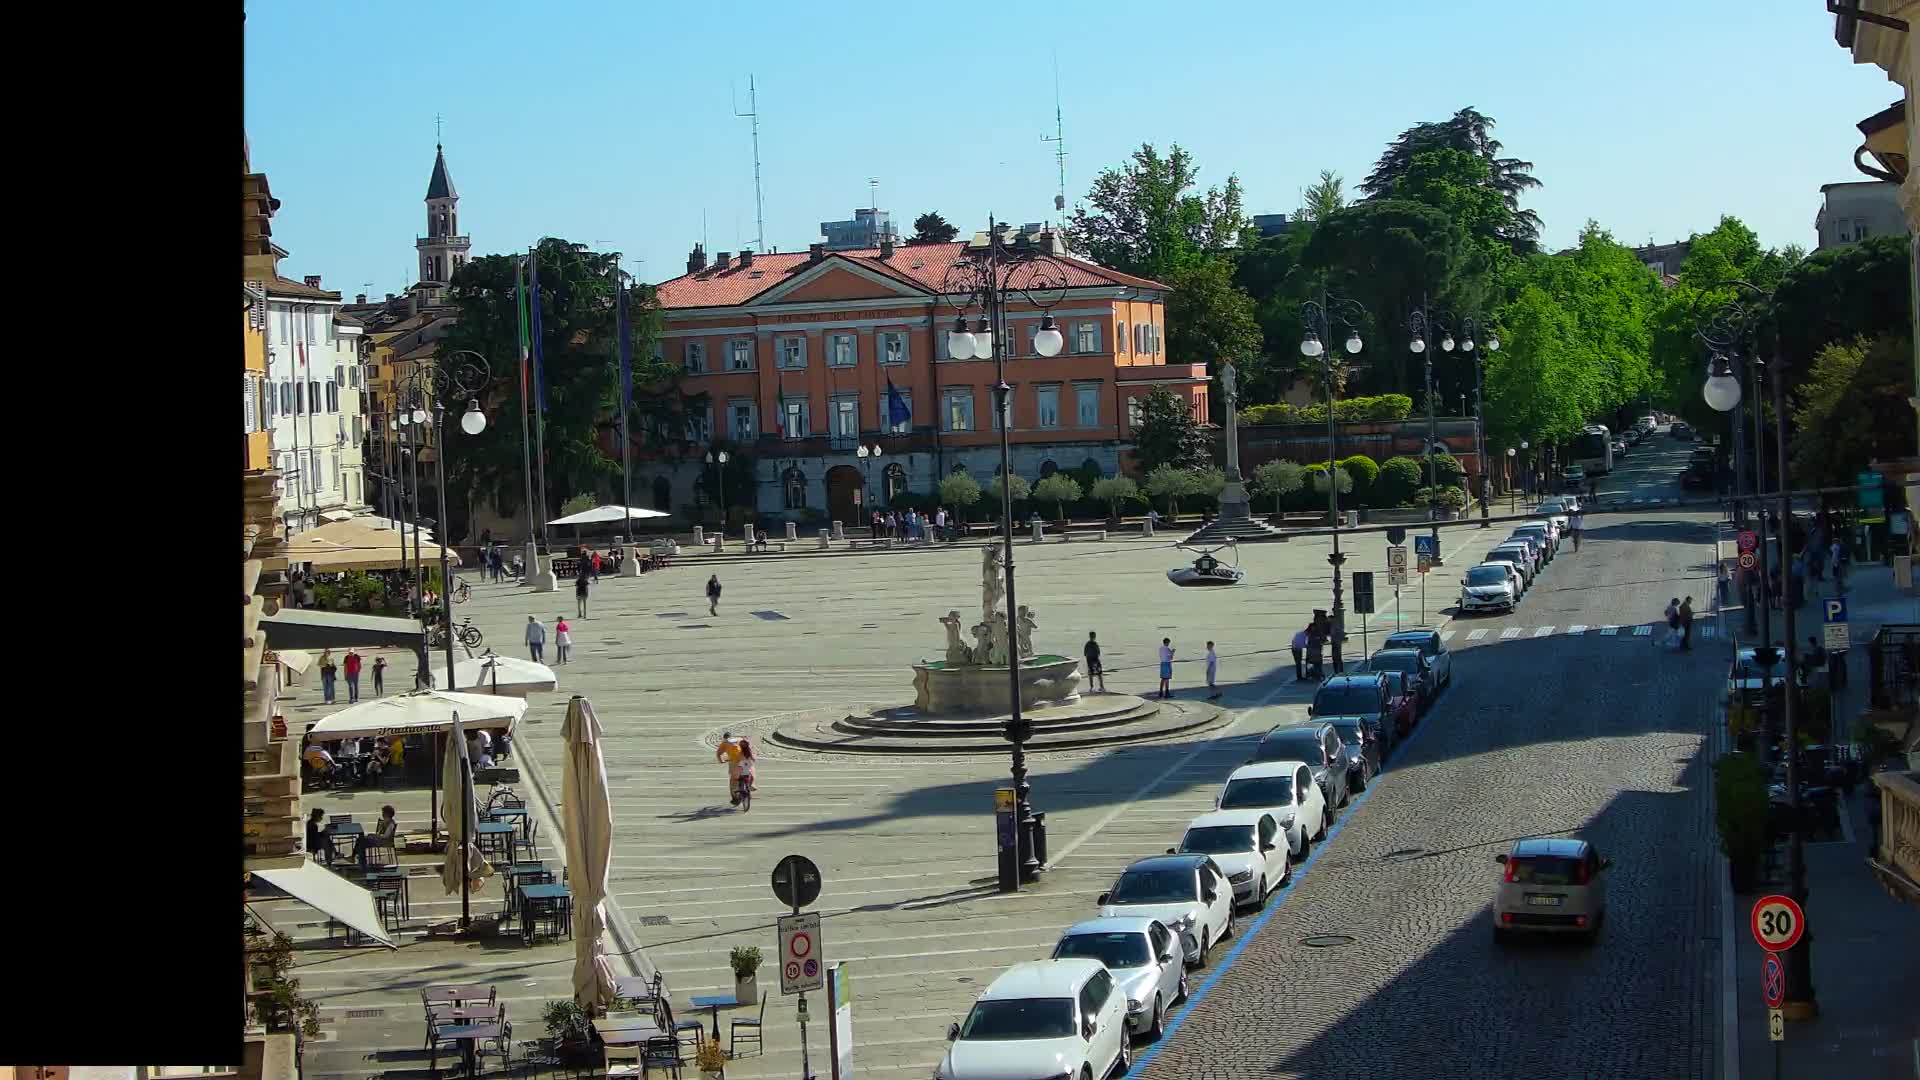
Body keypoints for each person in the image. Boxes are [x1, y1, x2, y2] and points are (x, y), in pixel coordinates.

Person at [716, 731, 745, 804]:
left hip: (734, 762)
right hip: (745, 759)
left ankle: (735, 798)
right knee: (748, 772)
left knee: (733, 780)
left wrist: (721, 760)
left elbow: (718, 754)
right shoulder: (739, 739)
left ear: (725, 738)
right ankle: (750, 786)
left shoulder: (725, 743)